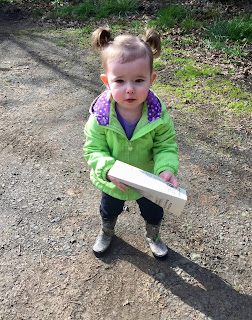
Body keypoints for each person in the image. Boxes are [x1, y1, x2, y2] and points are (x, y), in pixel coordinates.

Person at [83, 26, 179, 258]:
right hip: (114, 181)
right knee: (108, 209)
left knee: (154, 212)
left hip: (149, 180)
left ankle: (153, 234)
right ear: (107, 81)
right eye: (120, 81)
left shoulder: (158, 117)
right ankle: (107, 231)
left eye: (138, 80)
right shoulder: (100, 118)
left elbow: (165, 145)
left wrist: (165, 168)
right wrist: (107, 169)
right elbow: (93, 149)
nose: (129, 89)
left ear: (151, 79)